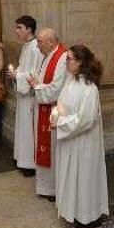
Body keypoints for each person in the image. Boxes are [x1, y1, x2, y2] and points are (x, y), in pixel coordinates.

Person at [52, 45, 109, 228]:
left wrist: (60, 122)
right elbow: (61, 105)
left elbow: (86, 120)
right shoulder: (71, 81)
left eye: (70, 59)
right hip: (70, 139)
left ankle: (88, 217)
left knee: (84, 178)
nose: (66, 62)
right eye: (67, 58)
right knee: (71, 176)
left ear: (81, 62)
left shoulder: (89, 88)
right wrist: (56, 115)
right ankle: (73, 211)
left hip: (84, 141)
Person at [29, 27, 69, 199]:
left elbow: (56, 89)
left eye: (40, 41)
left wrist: (37, 86)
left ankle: (54, 188)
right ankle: (46, 187)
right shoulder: (46, 55)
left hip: (54, 111)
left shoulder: (62, 58)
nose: (37, 45)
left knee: (53, 150)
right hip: (43, 108)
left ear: (51, 42)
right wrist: (37, 83)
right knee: (45, 147)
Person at [9, 16, 43, 177]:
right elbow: (24, 68)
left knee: (29, 129)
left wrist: (18, 75)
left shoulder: (37, 47)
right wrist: (16, 74)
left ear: (29, 29)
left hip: (30, 95)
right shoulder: (25, 46)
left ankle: (30, 163)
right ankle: (21, 158)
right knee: (22, 127)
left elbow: (36, 73)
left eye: (19, 28)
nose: (17, 31)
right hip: (23, 95)